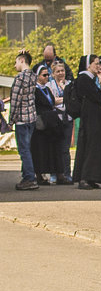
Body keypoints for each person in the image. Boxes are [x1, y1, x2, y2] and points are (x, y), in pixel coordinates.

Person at [73, 54, 101, 189]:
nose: (99, 66)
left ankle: (93, 176)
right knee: (89, 147)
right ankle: (84, 177)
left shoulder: (93, 79)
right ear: (88, 65)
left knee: (96, 147)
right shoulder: (83, 79)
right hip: (89, 119)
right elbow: (97, 97)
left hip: (96, 118)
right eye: (96, 63)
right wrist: (100, 88)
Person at [10, 51, 40, 190]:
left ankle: (29, 178)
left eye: (16, 62)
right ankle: (27, 175)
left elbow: (15, 100)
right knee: (28, 148)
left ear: (22, 61)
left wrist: (11, 121)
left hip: (21, 119)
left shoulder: (19, 78)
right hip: (31, 118)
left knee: (24, 150)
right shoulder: (34, 77)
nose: (15, 65)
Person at [30, 64, 62, 185]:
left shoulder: (47, 89)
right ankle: (39, 174)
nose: (47, 77)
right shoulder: (34, 90)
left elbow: (52, 102)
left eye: (48, 74)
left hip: (50, 123)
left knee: (53, 149)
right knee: (40, 150)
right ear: (37, 76)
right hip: (41, 123)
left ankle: (57, 173)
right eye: (44, 75)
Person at [47, 60, 74, 184]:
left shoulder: (70, 84)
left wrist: (63, 96)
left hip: (67, 119)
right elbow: (51, 101)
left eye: (62, 71)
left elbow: (73, 100)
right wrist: (64, 99)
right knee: (53, 147)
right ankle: (54, 174)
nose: (60, 73)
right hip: (54, 120)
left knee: (65, 149)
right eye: (58, 71)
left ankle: (67, 174)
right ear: (53, 74)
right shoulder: (49, 86)